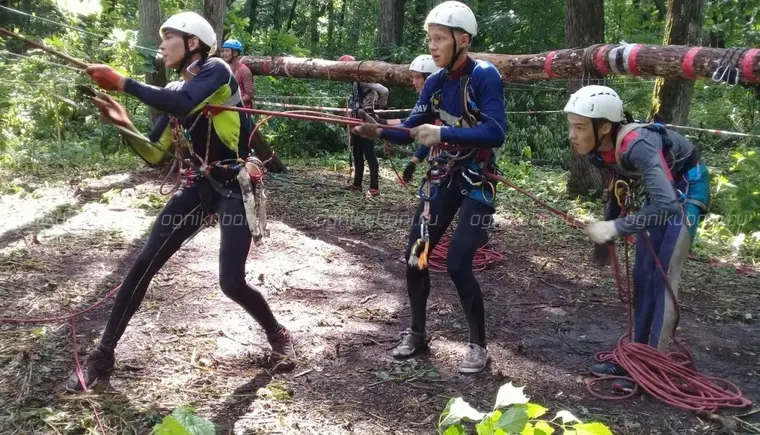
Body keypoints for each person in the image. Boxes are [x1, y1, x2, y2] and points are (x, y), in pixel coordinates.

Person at [64, 11, 296, 393]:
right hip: (198, 186)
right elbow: (156, 154)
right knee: (143, 264)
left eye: (168, 37)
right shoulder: (173, 92)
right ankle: (102, 357)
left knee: (232, 281)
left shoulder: (217, 71)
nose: (160, 44)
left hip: (234, 185)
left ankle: (276, 331)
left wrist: (122, 82)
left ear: (193, 44)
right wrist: (124, 123)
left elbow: (187, 100)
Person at [353, 1, 507, 373]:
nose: (433, 46)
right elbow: (410, 129)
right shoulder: (436, 82)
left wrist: (443, 132)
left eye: (439, 39)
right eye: (430, 38)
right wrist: (376, 129)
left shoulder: (485, 76)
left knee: (457, 263)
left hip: (476, 185)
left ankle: (478, 346)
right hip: (442, 181)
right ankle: (418, 334)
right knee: (416, 257)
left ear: (463, 40)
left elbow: (495, 131)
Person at [563, 85, 710, 392]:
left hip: (685, 194)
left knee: (663, 278)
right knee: (643, 275)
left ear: (604, 127)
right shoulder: (597, 151)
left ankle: (651, 368)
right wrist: (607, 232)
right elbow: (617, 186)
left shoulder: (636, 144)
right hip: (660, 199)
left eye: (579, 127)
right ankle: (635, 355)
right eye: (571, 127)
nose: (572, 135)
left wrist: (615, 229)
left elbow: (668, 205)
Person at [339, 54, 390, 197]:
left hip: (367, 120)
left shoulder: (362, 81)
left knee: (369, 154)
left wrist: (382, 105)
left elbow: (383, 90)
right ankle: (357, 184)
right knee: (357, 153)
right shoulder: (354, 82)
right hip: (357, 120)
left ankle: (374, 188)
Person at [401, 54, 442, 183]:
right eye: (413, 78)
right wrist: (413, 162)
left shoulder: (445, 104)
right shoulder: (431, 104)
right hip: (438, 163)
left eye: (418, 77)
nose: (414, 82)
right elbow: (428, 136)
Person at [221, 38, 255, 108]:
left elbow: (249, 95)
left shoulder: (244, 70)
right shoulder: (223, 69)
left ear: (235, 53)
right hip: (226, 109)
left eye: (227, 51)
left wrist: (233, 103)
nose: (224, 54)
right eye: (223, 51)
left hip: (241, 110)